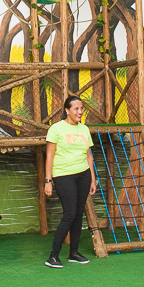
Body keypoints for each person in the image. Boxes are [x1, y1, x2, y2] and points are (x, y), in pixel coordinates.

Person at [43, 95, 97, 269]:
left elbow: (89, 156)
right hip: (63, 175)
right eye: (76, 109)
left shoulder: (84, 129)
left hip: (83, 175)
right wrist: (48, 180)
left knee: (78, 213)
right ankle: (53, 256)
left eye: (81, 108)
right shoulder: (56, 129)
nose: (80, 112)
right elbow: (49, 156)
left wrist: (93, 180)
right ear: (67, 110)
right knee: (69, 214)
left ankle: (74, 252)